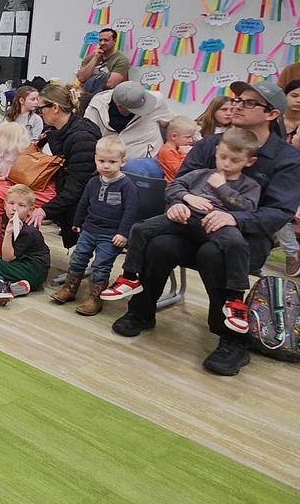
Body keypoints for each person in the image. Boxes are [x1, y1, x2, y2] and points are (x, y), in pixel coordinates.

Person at [107, 81, 300, 377]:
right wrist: (175, 202)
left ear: (271, 114)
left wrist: (236, 219)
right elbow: (179, 182)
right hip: (194, 225)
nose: (236, 105)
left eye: (249, 102)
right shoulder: (211, 144)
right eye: (237, 99)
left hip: (242, 239)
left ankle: (232, 340)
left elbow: (278, 212)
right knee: (159, 243)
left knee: (213, 254)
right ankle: (141, 311)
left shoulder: (287, 159)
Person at [0, 83, 100, 263]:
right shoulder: (53, 131)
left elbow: (77, 187)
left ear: (55, 108)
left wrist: (45, 210)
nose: (39, 113)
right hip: (40, 182)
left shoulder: (82, 138)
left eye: (41, 108)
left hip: (55, 191)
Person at [51, 136, 138, 316]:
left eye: (112, 162)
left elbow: (131, 212)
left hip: (111, 235)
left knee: (101, 265)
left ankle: (94, 299)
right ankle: (70, 288)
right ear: (95, 159)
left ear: (123, 162)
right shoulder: (93, 182)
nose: (106, 166)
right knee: (78, 258)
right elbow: (84, 204)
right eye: (101, 161)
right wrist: (77, 222)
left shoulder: (126, 186)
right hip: (89, 230)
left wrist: (123, 233)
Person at [0, 184, 51, 305]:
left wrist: (7, 233)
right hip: (25, 269)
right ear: (4, 205)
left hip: (33, 269)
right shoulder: (8, 220)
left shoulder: (28, 231)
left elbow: (7, 258)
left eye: (21, 205)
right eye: (11, 203)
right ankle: (13, 288)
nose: (15, 208)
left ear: (30, 210)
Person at [83, 79, 172, 174]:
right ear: (119, 106)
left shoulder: (156, 101)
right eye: (137, 109)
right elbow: (87, 138)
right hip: (109, 164)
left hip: (148, 163)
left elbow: (172, 124)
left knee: (131, 168)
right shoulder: (97, 107)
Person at [275, 79, 300, 275]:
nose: (299, 101)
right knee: (277, 205)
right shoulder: (273, 120)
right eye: (294, 95)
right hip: (276, 177)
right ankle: (293, 253)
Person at [76, 27, 128, 96]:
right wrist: (95, 58)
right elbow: (81, 78)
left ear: (114, 41)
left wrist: (89, 81)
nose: (102, 43)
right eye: (100, 40)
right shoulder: (90, 57)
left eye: (106, 40)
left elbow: (110, 84)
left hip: (108, 97)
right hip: (87, 96)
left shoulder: (121, 59)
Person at [156, 115, 197, 181]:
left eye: (192, 137)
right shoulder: (166, 152)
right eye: (188, 137)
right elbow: (180, 171)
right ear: (174, 136)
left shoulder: (179, 148)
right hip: (174, 185)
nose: (191, 141)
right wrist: (184, 154)